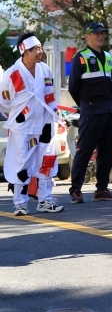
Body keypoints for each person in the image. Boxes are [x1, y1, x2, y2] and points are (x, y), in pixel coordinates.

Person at [0, 34, 63, 215]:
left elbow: (50, 94)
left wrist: (54, 114)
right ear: (24, 51)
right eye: (36, 49)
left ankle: (45, 200)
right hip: (23, 126)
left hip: (44, 122)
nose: (40, 52)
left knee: (47, 159)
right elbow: (4, 102)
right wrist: (17, 116)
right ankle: (20, 202)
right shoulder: (12, 74)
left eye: (41, 48)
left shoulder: (44, 69)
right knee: (22, 162)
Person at [67, 22, 112, 204]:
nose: (101, 36)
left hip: (107, 110)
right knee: (85, 151)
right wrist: (85, 104)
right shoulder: (80, 58)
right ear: (86, 36)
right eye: (96, 33)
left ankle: (102, 189)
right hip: (91, 111)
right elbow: (73, 87)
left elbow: (110, 81)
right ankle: (76, 190)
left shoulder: (108, 56)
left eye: (102, 33)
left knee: (107, 151)